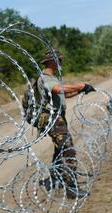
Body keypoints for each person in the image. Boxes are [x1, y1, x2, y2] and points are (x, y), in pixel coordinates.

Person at [36, 50, 96, 199]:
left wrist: (82, 90)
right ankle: (71, 187)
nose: (60, 63)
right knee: (68, 151)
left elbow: (64, 94)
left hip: (57, 118)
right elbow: (58, 89)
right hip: (53, 119)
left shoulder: (51, 77)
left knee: (60, 150)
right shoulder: (46, 78)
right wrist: (80, 85)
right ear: (51, 61)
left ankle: (54, 178)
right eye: (59, 60)